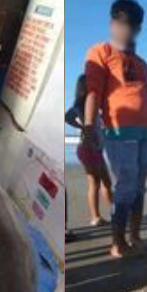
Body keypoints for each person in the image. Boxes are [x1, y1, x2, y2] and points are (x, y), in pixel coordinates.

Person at [83, 0, 147, 257]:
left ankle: (135, 235)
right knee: (125, 187)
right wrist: (88, 127)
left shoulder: (142, 64)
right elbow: (93, 93)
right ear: (113, 22)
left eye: (136, 26)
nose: (130, 31)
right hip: (118, 132)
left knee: (139, 187)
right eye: (125, 24)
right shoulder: (100, 52)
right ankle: (117, 243)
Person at [66, 74, 113, 226]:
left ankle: (110, 213)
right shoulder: (80, 106)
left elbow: (68, 118)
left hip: (95, 149)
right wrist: (83, 128)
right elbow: (67, 117)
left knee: (104, 182)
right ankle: (97, 217)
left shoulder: (91, 105)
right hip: (88, 148)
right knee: (97, 182)